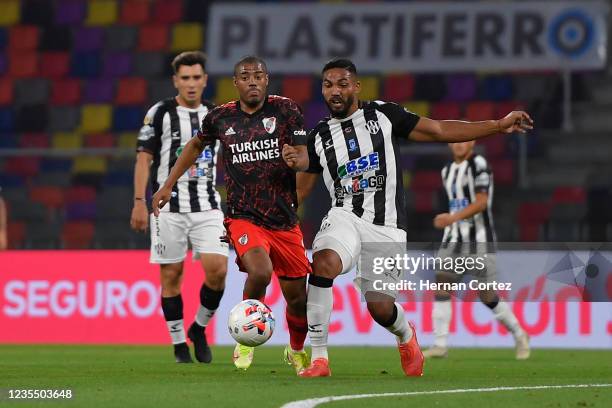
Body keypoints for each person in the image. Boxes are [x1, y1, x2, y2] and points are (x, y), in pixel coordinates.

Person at [284, 58, 533, 377]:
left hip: (386, 227)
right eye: (328, 84)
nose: (334, 90)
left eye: (342, 83)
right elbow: (299, 190)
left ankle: (405, 335)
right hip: (344, 216)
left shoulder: (384, 115)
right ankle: (319, 358)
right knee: (323, 263)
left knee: (380, 308)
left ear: (356, 87)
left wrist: (498, 125)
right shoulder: (319, 135)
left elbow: (440, 130)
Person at [152, 56, 311, 374]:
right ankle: (245, 339)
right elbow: (195, 147)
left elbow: (305, 156)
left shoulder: (287, 110)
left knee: (297, 300)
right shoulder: (219, 117)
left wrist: (298, 160)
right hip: (243, 216)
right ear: (235, 83)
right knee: (260, 271)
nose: (252, 80)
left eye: (258, 75)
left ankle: (295, 349)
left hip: (283, 219)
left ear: (267, 79)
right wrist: (168, 184)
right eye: (245, 76)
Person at [130, 51, 228, 364]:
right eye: (184, 78)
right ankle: (178, 345)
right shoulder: (159, 113)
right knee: (172, 275)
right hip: (167, 208)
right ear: (175, 81)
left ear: (205, 80)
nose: (191, 83)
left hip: (208, 205)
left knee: (218, 270)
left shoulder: (217, 114)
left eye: (196, 77)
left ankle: (198, 328)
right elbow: (143, 158)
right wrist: (138, 202)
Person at [423, 140, 530, 360]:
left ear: (472, 142)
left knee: (487, 295)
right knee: (442, 285)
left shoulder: (479, 164)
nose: (459, 145)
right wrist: (451, 221)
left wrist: (451, 217)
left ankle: (519, 334)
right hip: (453, 239)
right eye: (455, 142)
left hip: (480, 240)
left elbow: (481, 202)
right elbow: (458, 202)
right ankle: (440, 344)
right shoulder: (447, 170)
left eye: (464, 141)